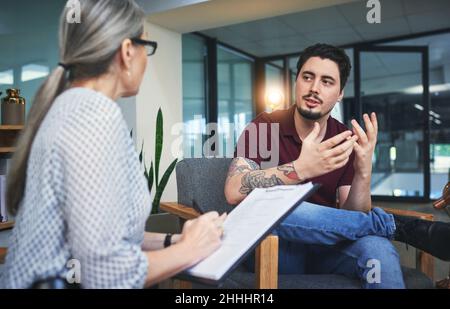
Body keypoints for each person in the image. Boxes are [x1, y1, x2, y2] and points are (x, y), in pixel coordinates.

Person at [1, 0, 226, 289]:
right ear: (127, 51)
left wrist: (175, 239)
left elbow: (103, 236)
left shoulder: (73, 107)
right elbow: (105, 273)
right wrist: (191, 249)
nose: (147, 57)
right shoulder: (93, 118)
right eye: (147, 45)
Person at [225, 43, 450, 288]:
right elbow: (234, 190)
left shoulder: (343, 138)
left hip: (327, 247)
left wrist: (363, 170)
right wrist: (301, 168)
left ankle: (387, 227)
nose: (313, 88)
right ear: (297, 81)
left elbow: (352, 213)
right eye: (307, 77)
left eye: (326, 81)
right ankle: (391, 225)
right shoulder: (265, 126)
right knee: (271, 207)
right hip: (275, 248)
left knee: (378, 248)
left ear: (340, 92)